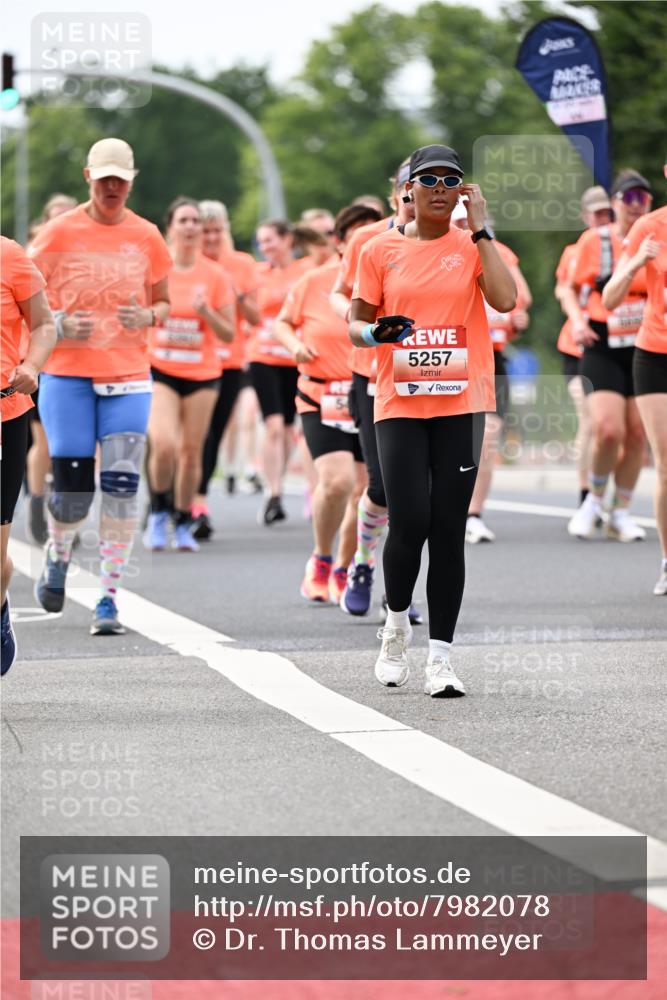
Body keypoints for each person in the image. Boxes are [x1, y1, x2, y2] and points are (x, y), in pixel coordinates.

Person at [350, 143, 516, 697]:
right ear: (409, 191)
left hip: (461, 402)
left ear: (464, 192)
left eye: (452, 180)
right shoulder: (379, 249)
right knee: (410, 521)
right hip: (400, 402)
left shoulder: (473, 247)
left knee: (449, 529)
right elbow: (356, 323)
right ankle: (395, 626)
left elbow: (507, 299)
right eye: (431, 180)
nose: (442, 188)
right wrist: (377, 334)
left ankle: (441, 658)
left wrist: (484, 231)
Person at [29, 137, 172, 635]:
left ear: (132, 181)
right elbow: (22, 299)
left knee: (121, 485)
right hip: (68, 376)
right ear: (88, 176)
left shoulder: (148, 235)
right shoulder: (56, 233)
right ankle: (58, 550)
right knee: (72, 490)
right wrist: (59, 323)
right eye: (104, 177)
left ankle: (108, 597)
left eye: (121, 179)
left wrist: (149, 314)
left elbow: (165, 302)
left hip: (129, 376)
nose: (113, 187)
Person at [275, 203, 381, 604]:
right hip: (320, 394)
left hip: (367, 395)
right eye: (356, 236)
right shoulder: (314, 281)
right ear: (339, 244)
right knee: (335, 483)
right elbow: (282, 322)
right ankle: (320, 557)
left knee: (365, 491)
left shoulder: (388, 277)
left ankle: (343, 564)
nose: (365, 243)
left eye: (373, 233)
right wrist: (294, 345)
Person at [330, 159, 421, 624]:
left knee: (418, 493)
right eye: (408, 186)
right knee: (383, 488)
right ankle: (362, 565)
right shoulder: (369, 241)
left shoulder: (454, 240)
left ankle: (400, 591)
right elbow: (339, 294)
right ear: (393, 194)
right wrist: (360, 322)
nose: (415, 194)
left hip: (429, 378)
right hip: (372, 378)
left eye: (423, 185)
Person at [563, 170, 651, 542]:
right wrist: (577, 319)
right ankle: (594, 501)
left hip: (644, 343)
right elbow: (568, 287)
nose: (634, 206)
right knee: (607, 429)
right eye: (627, 198)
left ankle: (621, 511)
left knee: (635, 435)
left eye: (641, 199)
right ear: (615, 203)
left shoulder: (657, 237)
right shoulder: (595, 242)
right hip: (601, 341)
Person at [144, 197, 235, 551]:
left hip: (203, 373)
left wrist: (207, 313)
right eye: (184, 220)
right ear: (170, 227)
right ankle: (157, 512)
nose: (191, 226)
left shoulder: (215, 276)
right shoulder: (155, 270)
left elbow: (228, 333)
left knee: (191, 452)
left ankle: (183, 519)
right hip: (161, 367)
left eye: (196, 220)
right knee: (164, 444)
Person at [449, 202, 533, 544]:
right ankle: (433, 507)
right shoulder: (439, 253)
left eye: (470, 221)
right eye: (459, 221)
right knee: (445, 437)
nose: (466, 226)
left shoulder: (499, 252)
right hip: (448, 355)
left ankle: (473, 514)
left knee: (488, 435)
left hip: (492, 358)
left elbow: (520, 299)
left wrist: (517, 319)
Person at [603, 157, 667, 595]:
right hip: (656, 352)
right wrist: (635, 262)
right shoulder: (649, 227)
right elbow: (609, 298)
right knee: (666, 466)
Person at [1, 238, 57, 675]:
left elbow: (43, 325)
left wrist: (32, 366)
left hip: (4, 410)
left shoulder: (9, 256)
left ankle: (0, 603)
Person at [190, 200, 260, 540]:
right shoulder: (186, 264)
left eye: (218, 230)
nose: (212, 237)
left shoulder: (242, 264)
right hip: (186, 363)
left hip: (228, 362)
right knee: (182, 438)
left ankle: (198, 502)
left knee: (212, 434)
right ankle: (167, 499)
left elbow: (256, 317)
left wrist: (234, 291)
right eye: (205, 231)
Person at [248, 220, 313, 525]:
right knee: (273, 425)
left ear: (288, 240)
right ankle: (273, 493)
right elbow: (249, 314)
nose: (265, 247)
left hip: (295, 357)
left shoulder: (306, 269)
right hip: (263, 356)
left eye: (270, 240)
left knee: (288, 428)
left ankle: (279, 478)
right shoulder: (258, 274)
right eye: (261, 242)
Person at [25, 192, 78, 545]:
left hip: (80, 365)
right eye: (55, 219)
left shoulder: (89, 263)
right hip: (43, 362)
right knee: (45, 441)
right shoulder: (32, 262)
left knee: (72, 446)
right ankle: (37, 503)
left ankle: (64, 511)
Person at [555, 187, 613, 507]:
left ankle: (603, 492)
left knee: (614, 426)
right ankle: (586, 494)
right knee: (590, 418)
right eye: (597, 213)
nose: (603, 218)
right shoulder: (574, 252)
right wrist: (579, 320)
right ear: (585, 216)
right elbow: (563, 290)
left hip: (613, 344)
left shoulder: (624, 246)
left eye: (607, 212)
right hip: (577, 346)